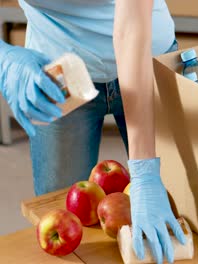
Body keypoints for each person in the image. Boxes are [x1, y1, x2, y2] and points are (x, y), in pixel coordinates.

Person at [0, 0, 185, 263]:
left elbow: (132, 22)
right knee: (62, 221)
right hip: (58, 73)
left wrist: (144, 171)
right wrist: (4, 60)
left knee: (180, 213)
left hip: (145, 57)